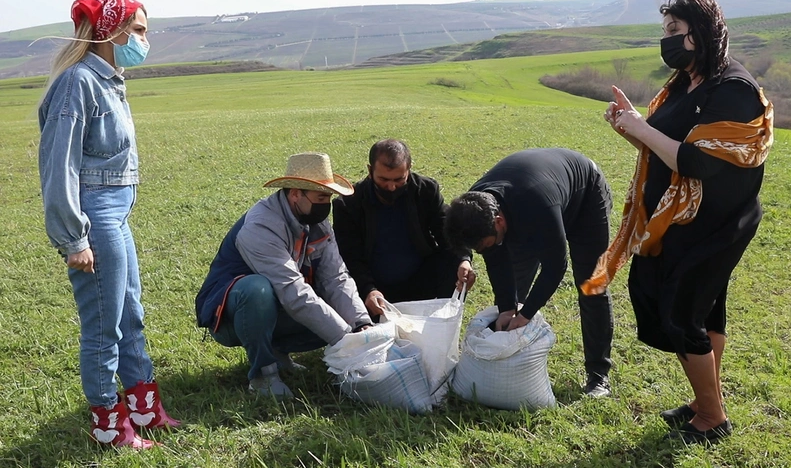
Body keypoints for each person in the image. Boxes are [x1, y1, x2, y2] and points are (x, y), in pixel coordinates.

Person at [581, 0, 773, 444]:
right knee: (705, 309)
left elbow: (700, 163)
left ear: (700, 32)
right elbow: (668, 154)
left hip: (714, 224)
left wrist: (644, 129)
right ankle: (706, 400)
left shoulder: (733, 90)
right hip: (678, 218)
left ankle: (712, 418)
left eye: (674, 31)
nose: (666, 40)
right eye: (664, 31)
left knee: (681, 312)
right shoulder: (685, 82)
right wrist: (632, 126)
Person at [37, 0, 178, 449]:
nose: (143, 39)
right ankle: (108, 424)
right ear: (110, 33)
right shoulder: (78, 82)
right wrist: (73, 237)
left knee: (130, 314)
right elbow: (60, 166)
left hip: (117, 217)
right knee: (103, 324)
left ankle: (142, 406)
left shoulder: (110, 80)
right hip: (95, 219)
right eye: (137, 30)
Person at [195, 152, 374, 399]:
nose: (326, 205)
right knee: (257, 289)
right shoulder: (260, 226)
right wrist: (345, 338)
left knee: (331, 304)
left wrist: (361, 325)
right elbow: (293, 291)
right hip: (231, 318)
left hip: (280, 304)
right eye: (321, 197)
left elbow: (336, 277)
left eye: (328, 197)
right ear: (295, 194)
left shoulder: (318, 224)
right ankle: (262, 375)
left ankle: (278, 354)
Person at [444, 148, 615, 398]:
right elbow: (496, 259)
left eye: (487, 245)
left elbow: (556, 266)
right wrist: (506, 308)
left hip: (584, 196)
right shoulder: (475, 207)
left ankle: (598, 375)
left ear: (499, 221)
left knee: (591, 286)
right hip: (530, 203)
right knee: (514, 286)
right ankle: (507, 364)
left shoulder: (537, 206)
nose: (486, 251)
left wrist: (525, 315)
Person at [332, 139, 475, 318]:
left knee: (452, 263)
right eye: (383, 179)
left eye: (399, 180)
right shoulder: (348, 204)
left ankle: (444, 320)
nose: (391, 187)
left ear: (409, 169)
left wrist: (463, 259)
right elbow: (349, 255)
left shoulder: (425, 190)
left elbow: (447, 231)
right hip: (376, 290)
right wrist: (368, 289)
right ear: (370, 171)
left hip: (421, 281)